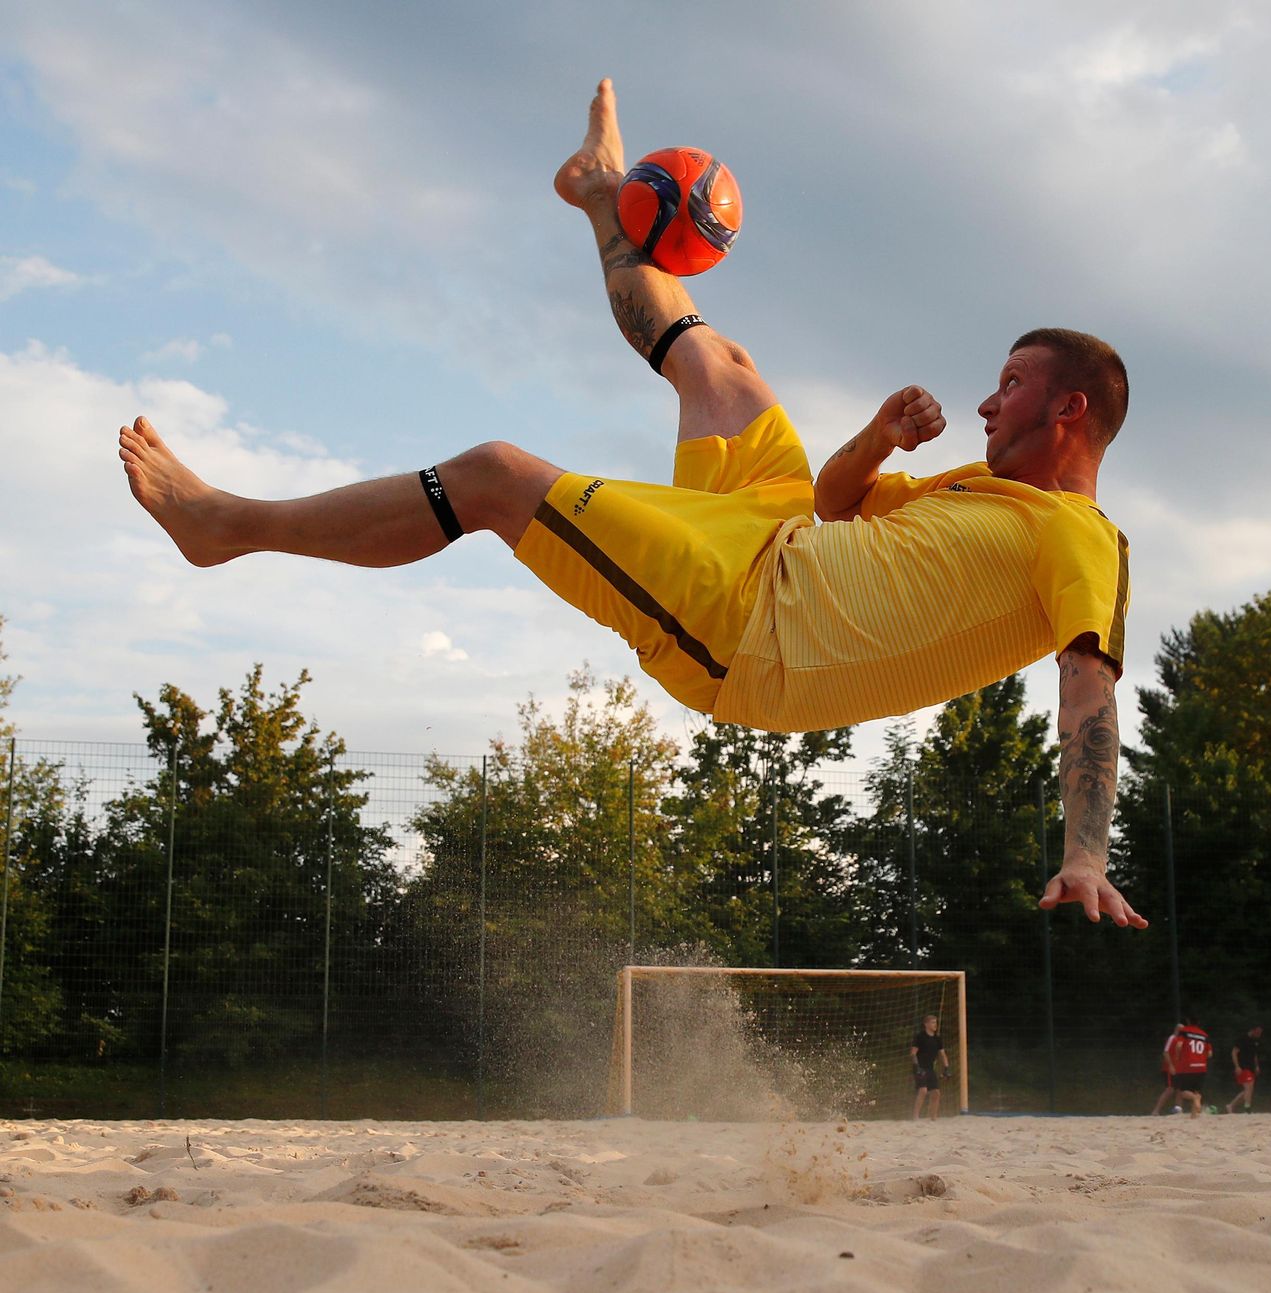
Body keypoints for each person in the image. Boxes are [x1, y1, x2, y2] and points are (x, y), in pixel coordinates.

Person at [115, 78, 1141, 931]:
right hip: (774, 537)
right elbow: (837, 503)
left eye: (1008, 383)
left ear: (1070, 409)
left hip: (755, 630)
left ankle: (226, 527)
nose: (983, 400)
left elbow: (1087, 688)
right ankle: (604, 198)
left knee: (494, 475)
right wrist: (878, 436)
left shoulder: (1078, 541)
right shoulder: (981, 489)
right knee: (723, 366)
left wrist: (1084, 853)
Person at [1164, 1015, 1211, 1118]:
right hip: (1202, 1066)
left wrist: (1177, 1056)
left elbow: (1179, 1045)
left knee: (1183, 1091)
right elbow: (1210, 1054)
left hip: (1187, 1066)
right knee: (1197, 1091)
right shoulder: (1204, 1035)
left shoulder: (1185, 1031)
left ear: (1188, 1021)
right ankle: (1194, 1115)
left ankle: (1194, 1099)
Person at [910, 1014, 950, 1120]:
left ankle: (933, 1116)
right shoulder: (920, 1037)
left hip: (930, 1068)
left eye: (935, 1022)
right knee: (923, 1090)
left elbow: (943, 1054)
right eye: (932, 1022)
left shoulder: (937, 1039)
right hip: (920, 1067)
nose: (935, 1025)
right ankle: (915, 1116)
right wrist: (916, 1067)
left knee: (936, 1092)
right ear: (926, 1024)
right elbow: (913, 1053)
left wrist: (946, 1068)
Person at [1223, 1024, 1264, 1114]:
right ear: (1252, 1030)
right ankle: (1247, 1108)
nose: (1259, 1034)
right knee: (1248, 1088)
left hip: (1251, 1067)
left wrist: (1257, 1066)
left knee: (1249, 1090)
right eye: (1257, 1032)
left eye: (1260, 1033)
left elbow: (1255, 1055)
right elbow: (1234, 1052)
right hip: (1243, 1067)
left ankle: (1230, 1106)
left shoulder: (1255, 1041)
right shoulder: (1242, 1039)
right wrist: (1237, 1066)